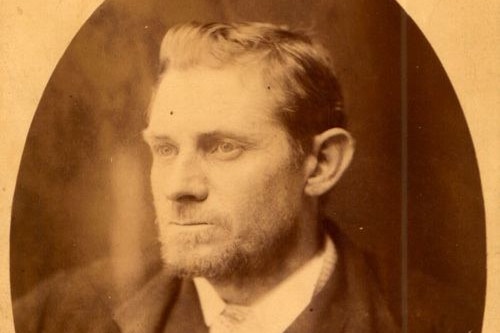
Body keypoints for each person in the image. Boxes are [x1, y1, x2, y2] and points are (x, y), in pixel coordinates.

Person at [13, 22, 398, 333]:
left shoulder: (431, 319)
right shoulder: (59, 315)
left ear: (320, 164)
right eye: (165, 149)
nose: (178, 187)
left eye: (222, 147)